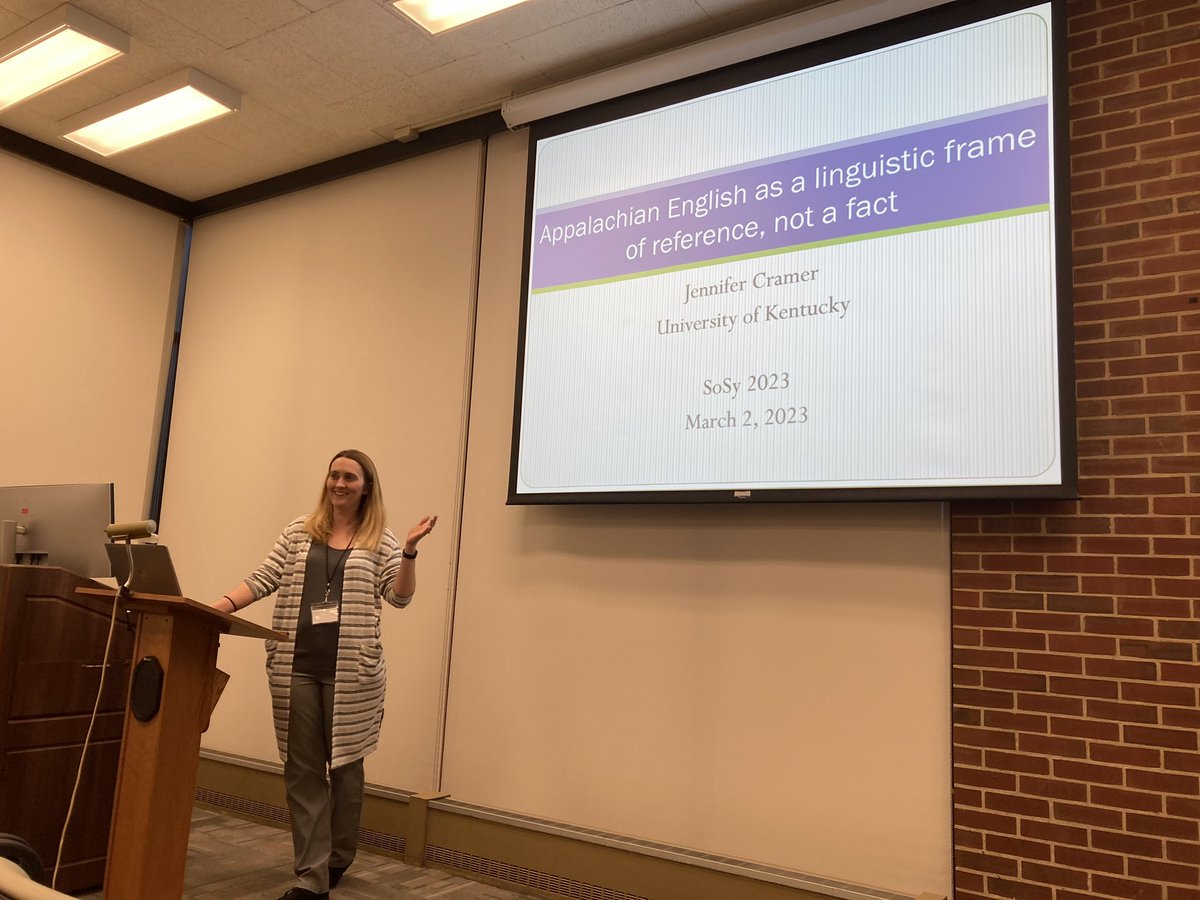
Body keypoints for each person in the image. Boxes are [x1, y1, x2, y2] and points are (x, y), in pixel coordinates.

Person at [213, 449, 436, 900]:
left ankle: (339, 854)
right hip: (295, 668)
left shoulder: (380, 539)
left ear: (365, 486)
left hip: (353, 675)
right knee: (302, 770)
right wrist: (215, 608)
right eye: (334, 475)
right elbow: (263, 577)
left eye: (349, 477)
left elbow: (401, 597)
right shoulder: (300, 531)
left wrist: (409, 550)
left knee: (347, 769)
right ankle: (310, 878)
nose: (339, 483)